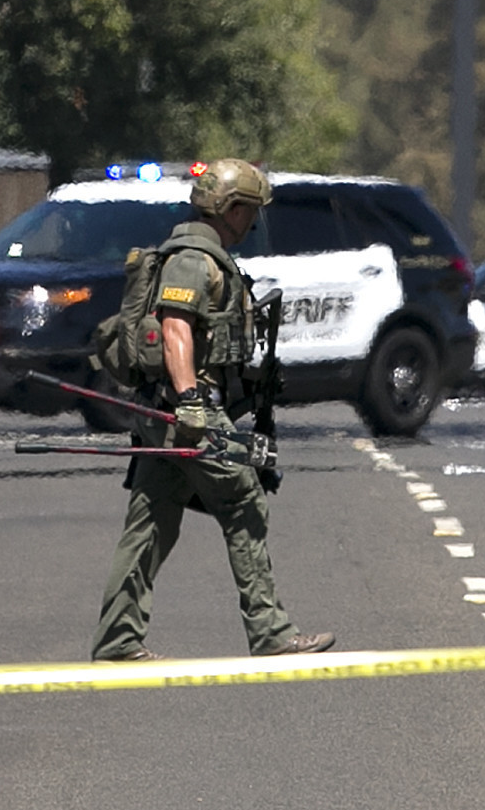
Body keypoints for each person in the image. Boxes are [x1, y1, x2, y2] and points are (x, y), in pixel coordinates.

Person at [90, 159, 335, 662]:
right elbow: (176, 327)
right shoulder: (191, 260)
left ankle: (118, 640)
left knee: (151, 522)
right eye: (249, 211)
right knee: (244, 501)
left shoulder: (207, 257)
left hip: (170, 414)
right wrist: (189, 403)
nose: (252, 221)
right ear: (230, 209)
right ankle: (270, 631)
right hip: (186, 412)